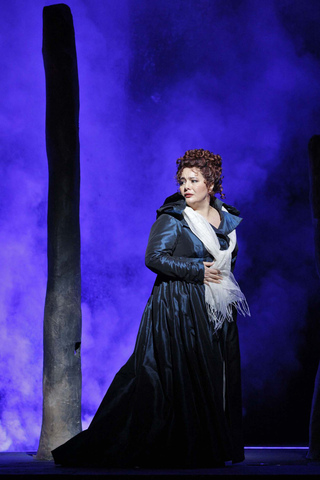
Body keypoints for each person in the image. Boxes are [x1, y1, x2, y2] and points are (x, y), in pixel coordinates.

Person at [52, 148, 250, 468]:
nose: (186, 186)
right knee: (170, 380)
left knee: (215, 376)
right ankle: (176, 447)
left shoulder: (226, 217)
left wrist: (215, 283)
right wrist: (196, 270)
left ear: (210, 185)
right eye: (182, 180)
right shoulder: (173, 217)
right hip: (177, 307)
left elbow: (227, 262)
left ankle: (210, 445)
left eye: (193, 180)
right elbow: (153, 258)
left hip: (216, 306)